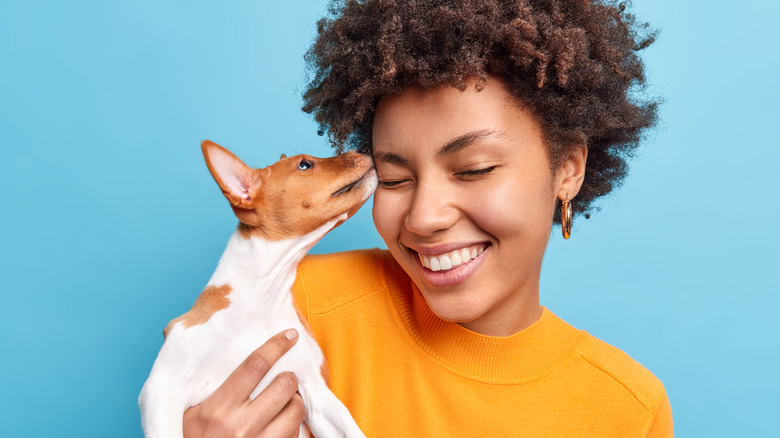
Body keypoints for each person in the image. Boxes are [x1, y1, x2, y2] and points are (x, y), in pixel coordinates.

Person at [183, 0, 672, 436]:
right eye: (393, 180)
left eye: (474, 169)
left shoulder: (628, 409)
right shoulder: (293, 306)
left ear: (567, 170)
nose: (423, 218)